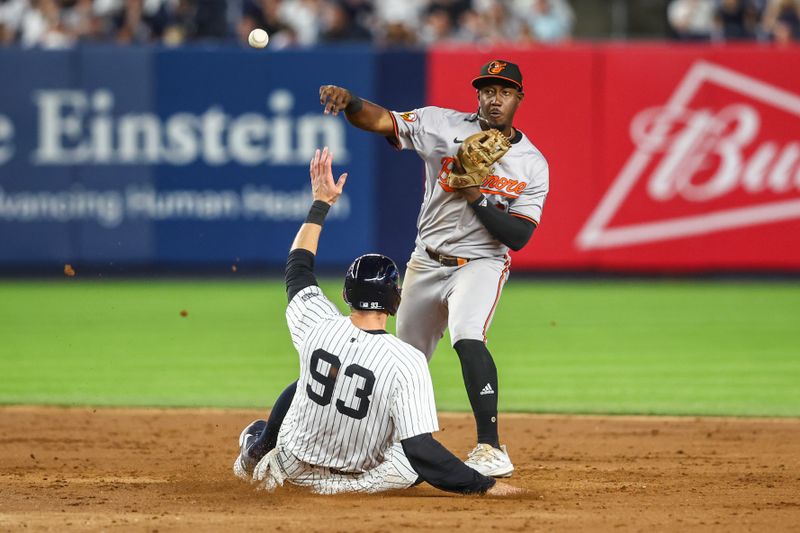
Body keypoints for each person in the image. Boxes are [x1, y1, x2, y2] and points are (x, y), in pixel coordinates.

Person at [233, 147, 521, 496]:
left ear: (345, 295)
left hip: (292, 470)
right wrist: (484, 486)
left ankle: (257, 447)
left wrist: (321, 203)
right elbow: (422, 452)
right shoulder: (407, 360)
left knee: (296, 391)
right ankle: (270, 448)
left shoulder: (316, 324)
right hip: (357, 483)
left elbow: (297, 268)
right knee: (410, 456)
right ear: (396, 301)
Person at [317, 59, 549, 478]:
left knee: (467, 335)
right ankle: (386, 446)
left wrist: (474, 193)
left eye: (504, 91)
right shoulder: (440, 125)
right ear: (477, 95)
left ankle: (490, 447)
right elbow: (381, 120)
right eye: (487, 90)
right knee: (403, 358)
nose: (495, 98)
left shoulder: (532, 162)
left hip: (481, 261)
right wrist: (351, 101)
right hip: (426, 260)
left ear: (519, 98)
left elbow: (518, 237)